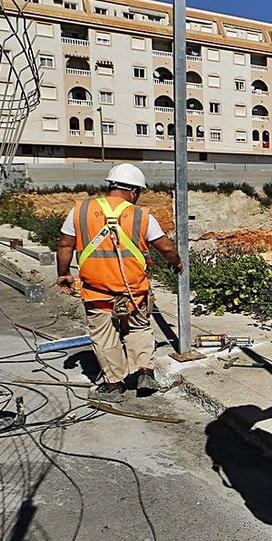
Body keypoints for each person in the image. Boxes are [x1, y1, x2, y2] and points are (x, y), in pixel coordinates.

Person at [55, 163, 183, 403]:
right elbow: (165, 247)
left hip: (96, 291)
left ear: (111, 185)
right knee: (138, 328)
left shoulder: (80, 211)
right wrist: (176, 262)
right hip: (133, 291)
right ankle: (144, 372)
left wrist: (63, 273)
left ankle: (114, 384)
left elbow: (65, 245)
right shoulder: (142, 215)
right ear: (134, 191)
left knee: (104, 335)